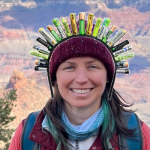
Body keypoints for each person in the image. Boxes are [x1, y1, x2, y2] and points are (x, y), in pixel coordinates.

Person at [9, 13, 150, 150]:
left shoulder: (137, 135)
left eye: (93, 66)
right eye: (69, 67)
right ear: (54, 78)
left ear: (108, 76)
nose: (81, 79)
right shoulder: (27, 134)